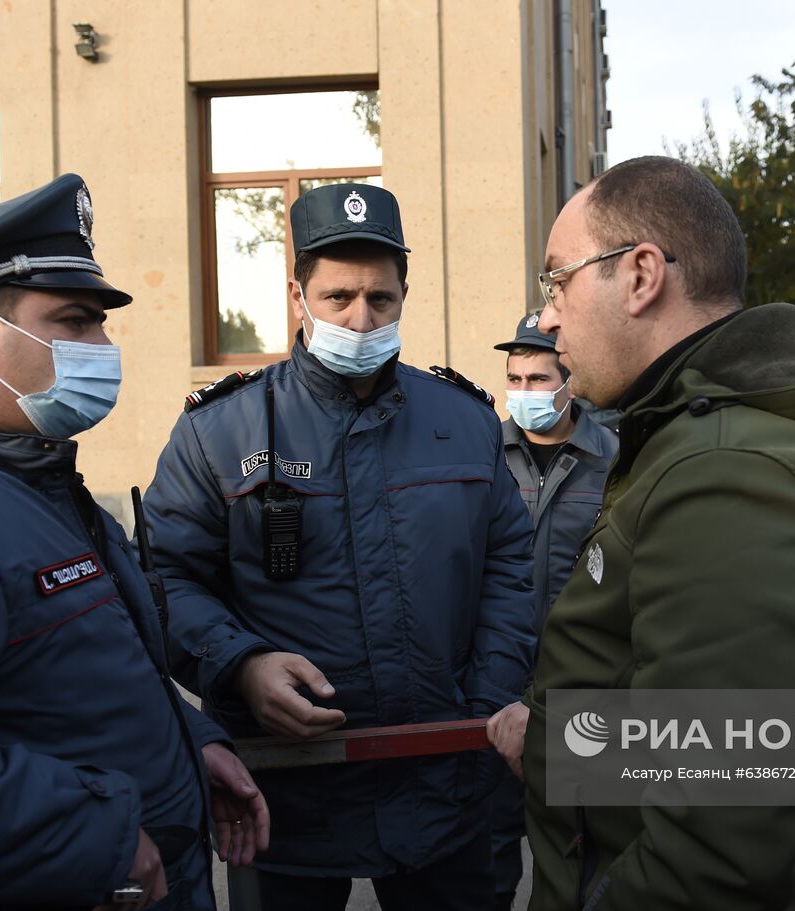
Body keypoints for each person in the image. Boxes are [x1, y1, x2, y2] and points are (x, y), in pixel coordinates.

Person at [0, 173, 268, 910]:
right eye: (75, 321)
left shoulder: (30, 480)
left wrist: (187, 738)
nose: (101, 346)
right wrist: (94, 833)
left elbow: (68, 681)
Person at [487, 155, 795, 910]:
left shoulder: (729, 472)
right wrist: (551, 731)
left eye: (557, 280)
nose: (545, 317)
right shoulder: (689, 434)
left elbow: (720, 843)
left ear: (641, 274)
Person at [141, 182, 536, 911]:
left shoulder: (464, 418)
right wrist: (241, 664)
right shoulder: (218, 432)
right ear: (299, 297)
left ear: (404, 296)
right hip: (284, 798)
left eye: (381, 300)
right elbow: (165, 579)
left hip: (444, 786)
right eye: (338, 298)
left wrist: (485, 699)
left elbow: (511, 566)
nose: (361, 318)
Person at [488, 311, 617, 910]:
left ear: (568, 381)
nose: (524, 394)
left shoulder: (614, 458)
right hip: (495, 682)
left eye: (538, 380)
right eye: (514, 380)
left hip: (581, 690)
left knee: (573, 855)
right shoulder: (485, 452)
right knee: (487, 856)